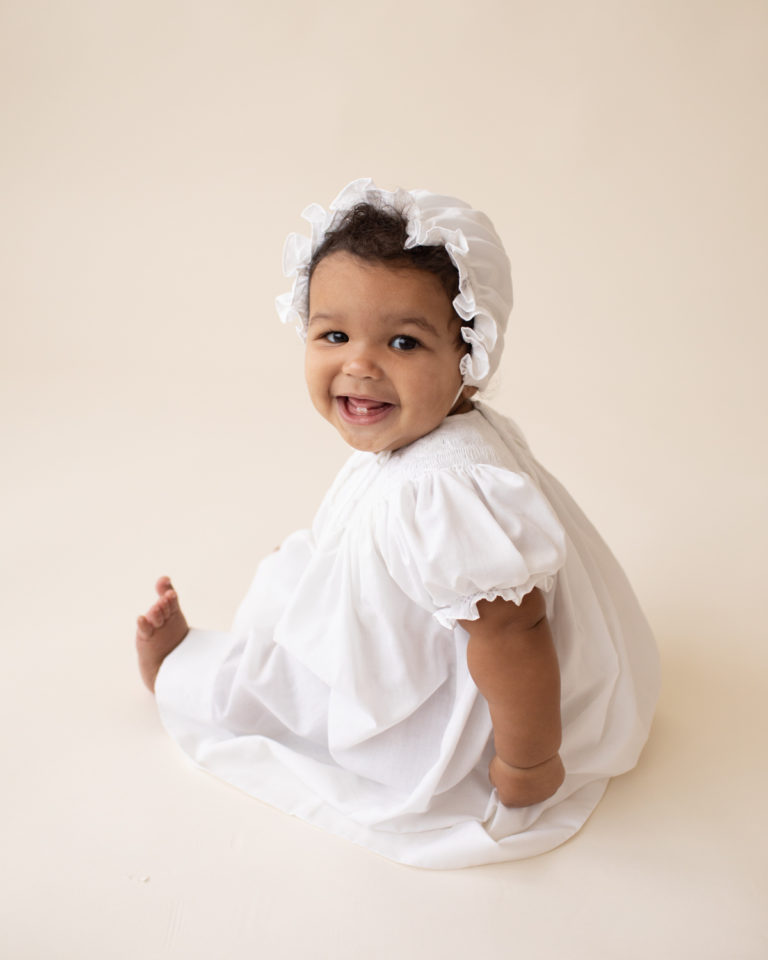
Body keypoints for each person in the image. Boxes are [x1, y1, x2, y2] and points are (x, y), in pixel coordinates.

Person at [135, 178, 660, 869]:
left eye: (405, 343)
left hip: (456, 683)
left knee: (300, 696)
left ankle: (187, 673)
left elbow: (513, 631)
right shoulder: (430, 437)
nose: (360, 364)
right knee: (302, 580)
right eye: (334, 334)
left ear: (468, 363)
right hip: (417, 606)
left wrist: (529, 761)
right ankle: (311, 590)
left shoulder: (443, 488)